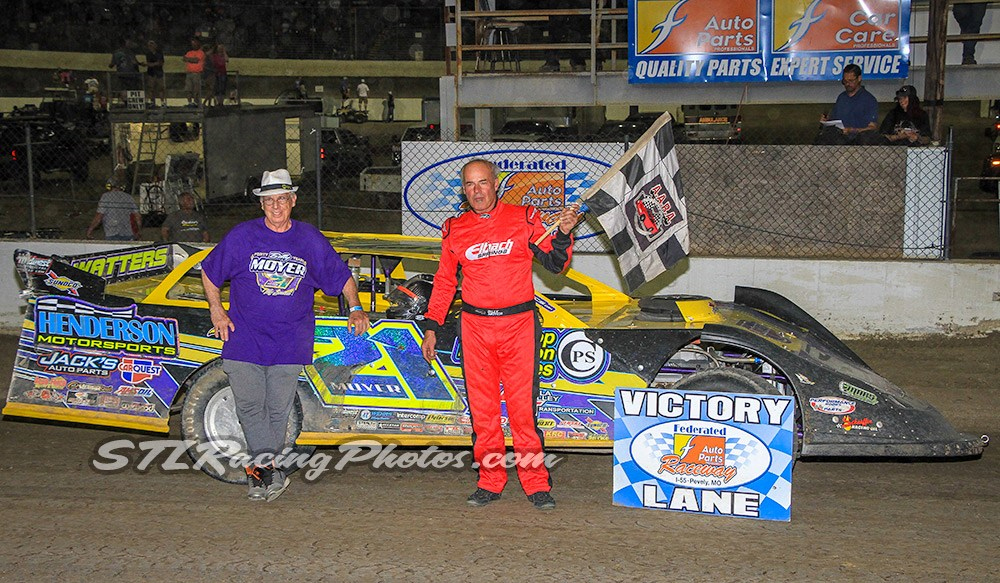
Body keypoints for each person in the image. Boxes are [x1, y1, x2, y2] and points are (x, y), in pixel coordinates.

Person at [420, 159, 581, 511]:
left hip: (518, 325)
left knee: (523, 412)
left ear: (496, 184)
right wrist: (432, 326)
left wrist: (564, 234)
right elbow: (445, 281)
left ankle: (536, 484)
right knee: (483, 412)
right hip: (475, 327)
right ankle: (490, 481)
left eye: (482, 182)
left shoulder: (524, 218)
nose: (476, 190)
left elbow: (555, 264)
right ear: (463, 190)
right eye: (469, 184)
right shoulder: (454, 228)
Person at [200, 169, 370, 501]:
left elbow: (340, 275)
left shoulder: (309, 239)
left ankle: (260, 474)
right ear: (261, 204)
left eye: (282, 199)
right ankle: (268, 471)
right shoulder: (243, 236)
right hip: (244, 337)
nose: (276, 206)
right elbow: (209, 270)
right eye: (269, 200)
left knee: (278, 410)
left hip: (291, 339)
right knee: (250, 407)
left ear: (293, 201)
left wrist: (355, 307)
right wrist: (216, 310)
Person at [815, 64, 880, 145]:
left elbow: (873, 127)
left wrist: (852, 130)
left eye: (851, 81)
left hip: (858, 140)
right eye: (845, 81)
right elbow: (834, 120)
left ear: (859, 78)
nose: (848, 84)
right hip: (840, 138)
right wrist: (826, 121)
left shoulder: (869, 100)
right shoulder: (841, 98)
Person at [87, 177, 141, 241]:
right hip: (127, 232)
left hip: (111, 232)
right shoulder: (128, 197)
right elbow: (137, 216)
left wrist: (90, 230)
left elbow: (99, 216)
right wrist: (138, 231)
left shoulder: (105, 197)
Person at [108, 39, 141, 103]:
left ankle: (125, 101)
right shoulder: (130, 52)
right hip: (131, 73)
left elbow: (111, 64)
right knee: (131, 88)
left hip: (122, 73)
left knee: (123, 88)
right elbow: (135, 62)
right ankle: (131, 102)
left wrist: (112, 64)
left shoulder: (116, 53)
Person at [142, 40, 166, 107]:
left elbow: (160, 63)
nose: (151, 47)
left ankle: (162, 102)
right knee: (151, 88)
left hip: (159, 73)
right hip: (151, 73)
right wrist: (152, 64)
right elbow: (151, 63)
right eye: (149, 46)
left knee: (161, 88)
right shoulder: (148, 54)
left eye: (152, 45)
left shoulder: (159, 54)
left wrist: (150, 64)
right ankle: (152, 102)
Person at [183, 37, 205, 107]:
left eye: (195, 43)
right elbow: (184, 58)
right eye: (192, 44)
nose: (193, 45)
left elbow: (196, 60)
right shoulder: (189, 52)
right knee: (188, 89)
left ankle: (196, 102)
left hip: (197, 73)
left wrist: (188, 59)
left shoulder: (201, 52)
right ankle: (190, 103)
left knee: (196, 89)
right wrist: (190, 59)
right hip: (189, 73)